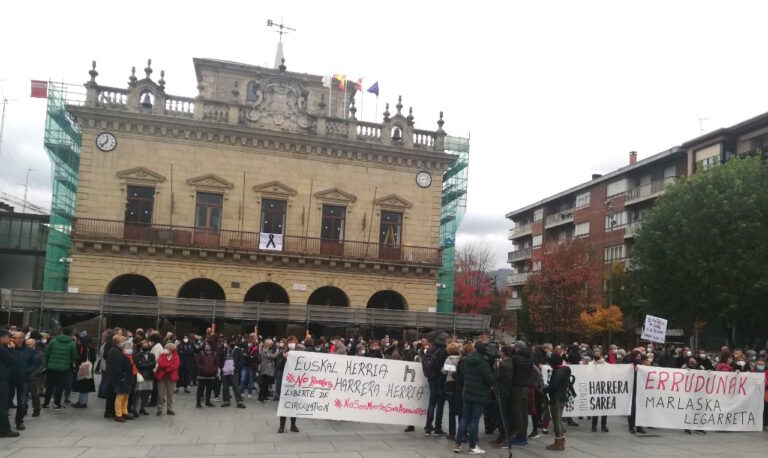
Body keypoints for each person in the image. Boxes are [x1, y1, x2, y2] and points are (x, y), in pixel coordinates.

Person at [454, 341, 494, 455]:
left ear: (475, 349)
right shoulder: (483, 362)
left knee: (464, 418)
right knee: (474, 420)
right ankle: (472, 446)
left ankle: (457, 444)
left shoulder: (467, 360)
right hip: (479, 394)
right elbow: (490, 379)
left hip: (467, 392)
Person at [543, 353, 574, 452]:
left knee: (556, 421)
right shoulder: (564, 370)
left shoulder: (558, 372)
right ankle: (561, 440)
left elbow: (553, 387)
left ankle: (558, 443)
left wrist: (545, 389)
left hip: (557, 399)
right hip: (562, 398)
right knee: (559, 420)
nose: (549, 364)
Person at [43, 327, 77, 410]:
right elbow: (73, 356)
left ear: (62, 332)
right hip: (64, 368)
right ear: (71, 333)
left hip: (51, 366)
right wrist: (69, 363)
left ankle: (46, 403)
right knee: (60, 386)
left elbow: (47, 353)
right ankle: (57, 404)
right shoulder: (72, 343)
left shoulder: (53, 341)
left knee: (49, 385)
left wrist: (47, 363)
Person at [424, 333, 449, 437]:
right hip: (441, 379)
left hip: (431, 379)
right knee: (440, 404)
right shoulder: (444, 351)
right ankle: (438, 428)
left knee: (431, 403)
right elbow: (445, 367)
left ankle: (428, 427)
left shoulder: (431, 348)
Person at [509, 340, 534, 445]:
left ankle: (520, 436)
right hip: (526, 387)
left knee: (518, 413)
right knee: (524, 413)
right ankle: (523, 433)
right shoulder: (530, 358)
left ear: (517, 348)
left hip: (517, 387)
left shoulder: (515, 359)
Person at [10, 331, 36, 431]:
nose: (16, 340)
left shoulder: (29, 351)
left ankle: (19, 421)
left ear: (22, 339)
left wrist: (28, 371)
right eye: (14, 338)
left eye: (18, 338)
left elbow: (34, 363)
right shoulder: (8, 349)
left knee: (22, 401)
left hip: (23, 378)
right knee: (6, 400)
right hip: (10, 379)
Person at [0, 329, 20, 438]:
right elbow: (12, 361)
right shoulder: (2, 349)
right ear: (2, 338)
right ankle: (4, 430)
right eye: (8, 337)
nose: (10, 339)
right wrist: (12, 350)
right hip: (2, 380)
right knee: (3, 406)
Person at [495, 345, 515, 447]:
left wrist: (496, 368)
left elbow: (497, 377)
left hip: (503, 392)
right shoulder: (512, 363)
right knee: (507, 414)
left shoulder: (504, 366)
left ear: (504, 353)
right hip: (510, 392)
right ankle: (508, 433)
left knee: (503, 415)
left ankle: (503, 434)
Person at [112, 341, 136, 422]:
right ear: (123, 348)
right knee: (120, 397)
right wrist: (121, 378)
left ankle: (124, 412)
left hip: (129, 379)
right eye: (127, 347)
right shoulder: (120, 356)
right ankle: (118, 414)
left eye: (130, 347)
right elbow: (117, 369)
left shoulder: (130, 357)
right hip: (122, 380)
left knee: (126, 397)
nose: (130, 349)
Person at [218, 338, 246, 408]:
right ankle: (226, 401)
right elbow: (220, 360)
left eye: (233, 342)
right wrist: (221, 367)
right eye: (230, 342)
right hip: (225, 371)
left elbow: (241, 360)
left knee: (235, 386)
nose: (231, 344)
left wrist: (236, 366)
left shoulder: (238, 350)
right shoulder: (224, 350)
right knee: (225, 386)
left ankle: (239, 402)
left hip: (234, 371)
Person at [71, 332, 95, 408]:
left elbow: (82, 358)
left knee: (82, 386)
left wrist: (77, 359)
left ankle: (82, 402)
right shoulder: (92, 348)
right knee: (85, 386)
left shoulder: (85, 348)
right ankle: (82, 401)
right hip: (89, 368)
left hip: (84, 368)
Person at [443, 342, 461, 441]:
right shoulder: (461, 359)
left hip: (450, 383)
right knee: (460, 408)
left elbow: (444, 371)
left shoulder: (448, 360)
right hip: (458, 385)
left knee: (451, 410)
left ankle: (452, 432)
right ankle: (461, 431)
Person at [155, 342, 180, 416]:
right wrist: (170, 365)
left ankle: (169, 409)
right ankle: (160, 409)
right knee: (160, 394)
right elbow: (160, 364)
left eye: (167, 348)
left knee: (170, 394)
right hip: (161, 376)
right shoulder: (162, 355)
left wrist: (167, 368)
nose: (165, 350)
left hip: (171, 377)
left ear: (171, 350)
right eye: (165, 348)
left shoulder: (176, 356)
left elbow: (175, 366)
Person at [589, 349, 609, 433]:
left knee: (604, 408)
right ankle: (594, 425)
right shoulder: (590, 364)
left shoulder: (606, 365)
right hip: (595, 388)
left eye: (598, 354)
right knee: (595, 407)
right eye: (595, 354)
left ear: (601, 355)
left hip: (604, 388)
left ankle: (603, 425)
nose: (596, 355)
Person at [134, 340, 156, 415]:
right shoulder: (137, 355)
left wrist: (146, 364)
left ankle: (142, 408)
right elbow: (139, 365)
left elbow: (153, 364)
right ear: (141, 346)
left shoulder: (152, 355)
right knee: (138, 393)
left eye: (147, 346)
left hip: (149, 376)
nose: (146, 347)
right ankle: (135, 409)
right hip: (141, 376)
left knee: (146, 393)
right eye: (144, 346)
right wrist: (149, 364)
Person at [26, 332, 45, 418]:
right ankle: (23, 408)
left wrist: (35, 373)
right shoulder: (23, 350)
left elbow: (42, 364)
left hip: (33, 376)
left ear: (33, 344)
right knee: (23, 394)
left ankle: (36, 408)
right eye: (26, 343)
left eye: (29, 344)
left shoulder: (39, 352)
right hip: (23, 375)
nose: (27, 345)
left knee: (34, 393)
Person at [196, 341, 218, 407]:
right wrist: (202, 369)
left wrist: (214, 369)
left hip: (211, 375)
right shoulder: (201, 353)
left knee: (209, 389)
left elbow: (217, 363)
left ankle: (208, 402)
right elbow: (198, 363)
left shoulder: (214, 353)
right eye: (205, 344)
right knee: (200, 389)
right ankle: (198, 403)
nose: (207, 345)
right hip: (202, 375)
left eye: (208, 344)